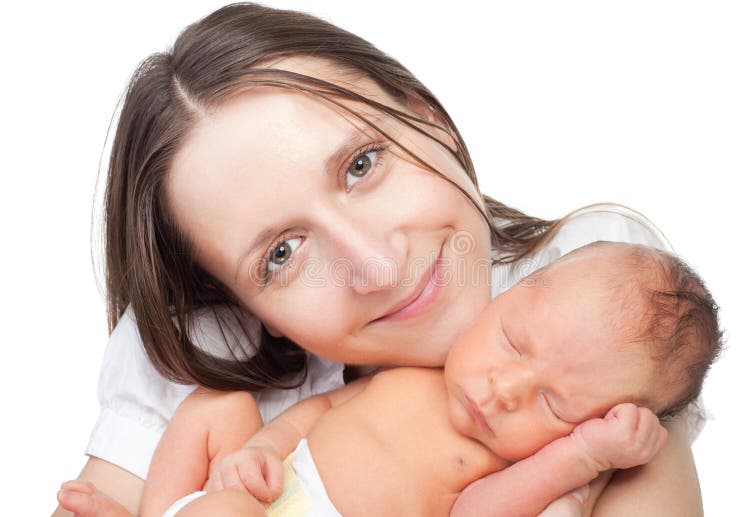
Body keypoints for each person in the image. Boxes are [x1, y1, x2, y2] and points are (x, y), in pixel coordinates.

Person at [53, 4, 705, 516]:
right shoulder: (211, 356)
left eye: (362, 165)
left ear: (429, 120)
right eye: (281, 254)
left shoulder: (594, 295)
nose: (378, 266)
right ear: (241, 306)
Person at [58, 241, 721, 517]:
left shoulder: (501, 461)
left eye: (553, 402)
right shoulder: (416, 366)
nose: (503, 388)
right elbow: (325, 410)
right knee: (219, 404)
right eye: (513, 340)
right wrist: (261, 447)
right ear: (502, 297)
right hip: (262, 489)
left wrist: (581, 457)